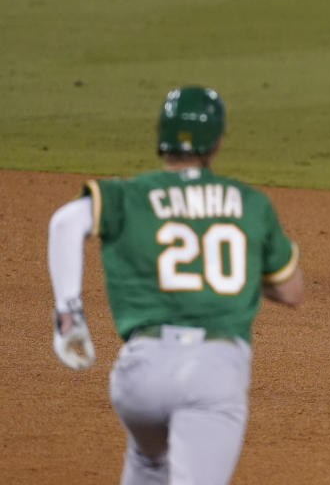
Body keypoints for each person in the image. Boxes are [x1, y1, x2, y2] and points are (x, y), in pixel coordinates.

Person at [48, 86, 305, 483]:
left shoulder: (128, 194)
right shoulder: (250, 203)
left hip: (139, 376)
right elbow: (291, 292)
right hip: (213, 374)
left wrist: (68, 312)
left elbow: (65, 222)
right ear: (217, 142)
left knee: (149, 462)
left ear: (161, 136)